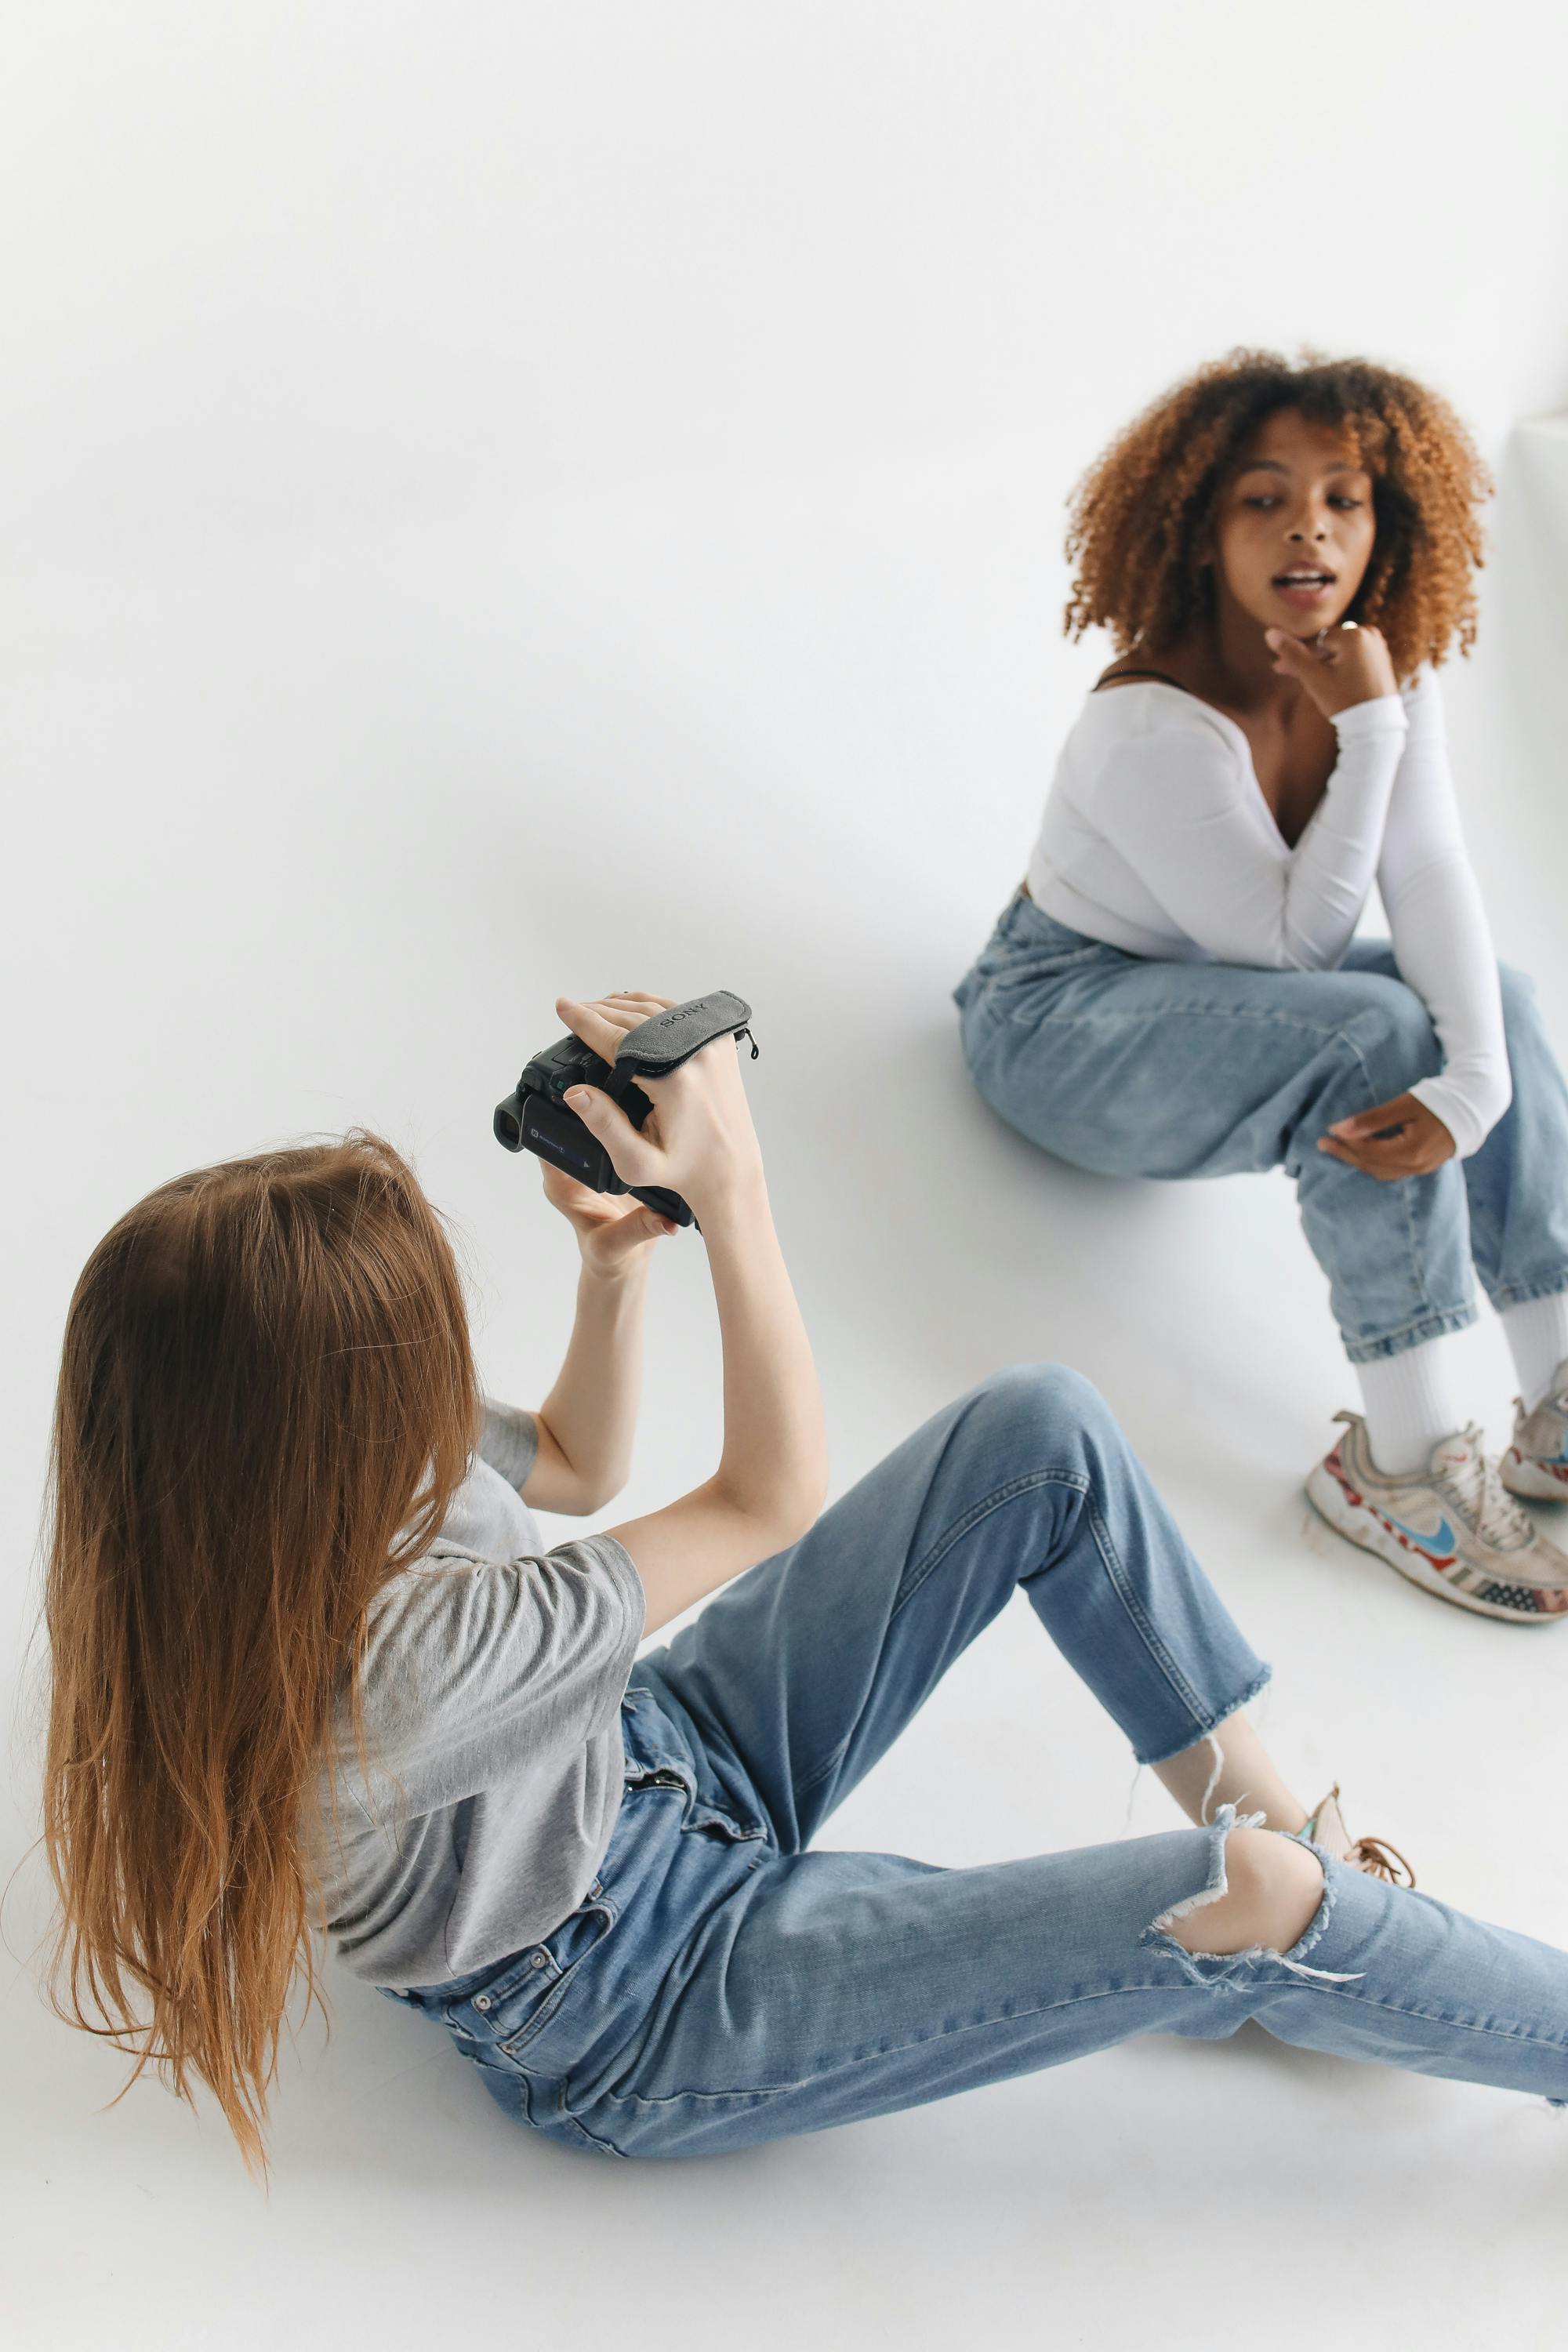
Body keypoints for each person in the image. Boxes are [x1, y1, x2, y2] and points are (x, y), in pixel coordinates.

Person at [39, 991, 1568, 2173]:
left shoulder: (249, 1515)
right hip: (644, 1994)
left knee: (1038, 1433)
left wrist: (618, 1261)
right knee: (1241, 1906)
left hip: (654, 1748)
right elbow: (764, 1498)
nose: (441, 1380)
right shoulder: (405, 1678)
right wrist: (735, 1194)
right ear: (322, 1422)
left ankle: (1307, 1850)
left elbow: (571, 1461)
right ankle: (1386, 1948)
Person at [953, 351, 1568, 1622]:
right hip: (1058, 1020)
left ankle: (1558, 1392)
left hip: (1217, 997)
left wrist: (1483, 1079)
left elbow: (1429, 865)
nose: (1312, 529)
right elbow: (1289, 953)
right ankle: (1397, 1465)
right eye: (1265, 498)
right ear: (1199, 523)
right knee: (1380, 1033)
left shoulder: (1379, 664)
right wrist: (1372, 735)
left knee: (1489, 1002)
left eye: (1346, 498)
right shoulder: (1149, 723)